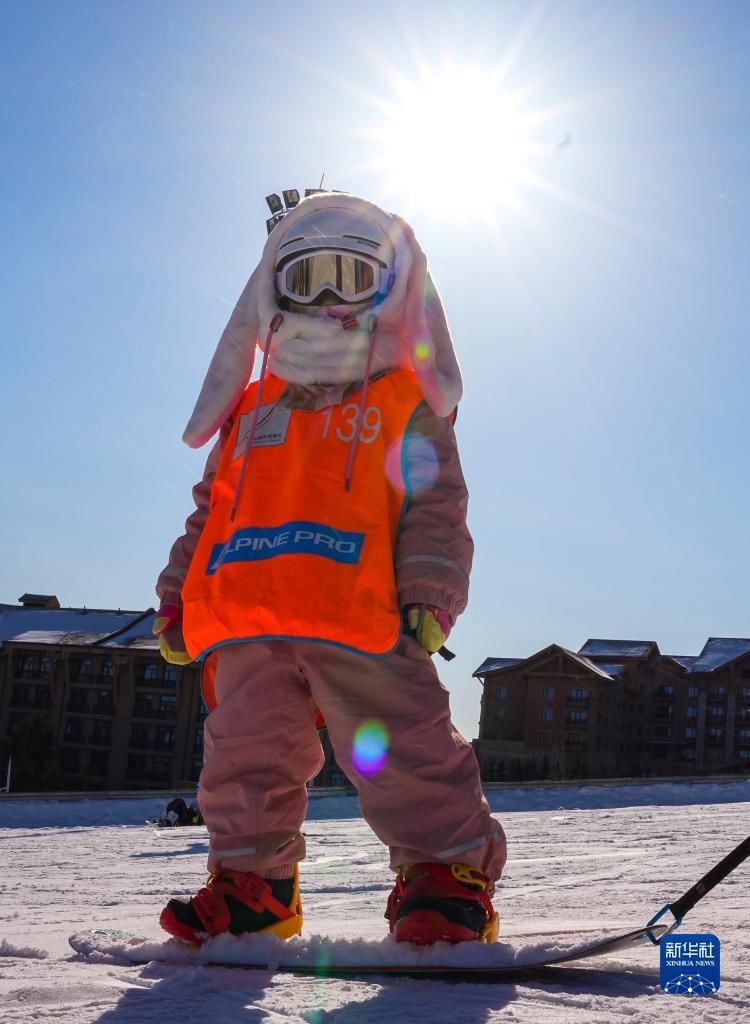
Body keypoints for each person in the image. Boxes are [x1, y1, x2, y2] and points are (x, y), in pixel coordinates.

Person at [154, 191, 507, 946]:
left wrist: (431, 590)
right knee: (244, 757)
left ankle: (446, 875)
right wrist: (178, 596)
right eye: (304, 277)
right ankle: (253, 885)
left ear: (386, 291)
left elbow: (438, 504)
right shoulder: (249, 411)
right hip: (249, 618)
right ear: (272, 291)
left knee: (402, 747)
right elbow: (208, 511)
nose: (322, 301)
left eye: (345, 278)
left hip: (362, 613)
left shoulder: (404, 404)